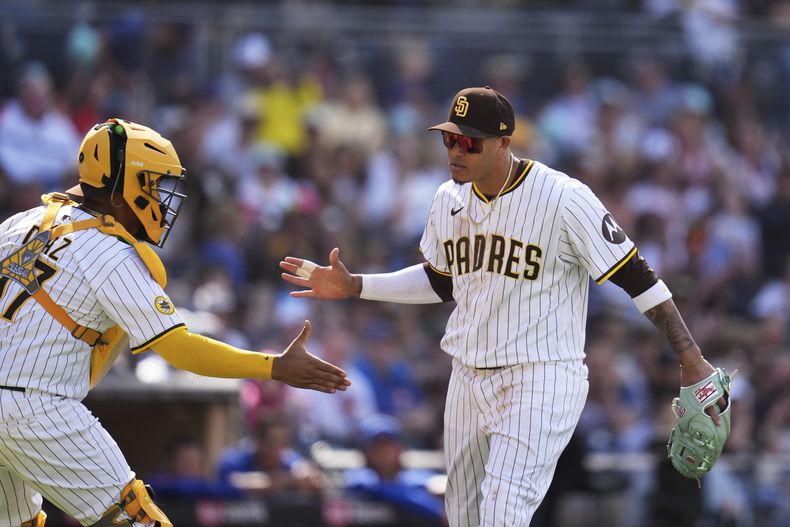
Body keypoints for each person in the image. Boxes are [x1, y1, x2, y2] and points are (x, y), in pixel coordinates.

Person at [280, 86, 729, 526]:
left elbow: (638, 277)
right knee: (464, 518)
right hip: (467, 376)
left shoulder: (563, 197)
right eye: (449, 138)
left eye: (470, 142)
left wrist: (691, 359)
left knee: (502, 511)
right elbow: (440, 282)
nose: (456, 150)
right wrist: (357, 285)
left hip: (541, 375)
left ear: (504, 143)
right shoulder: (447, 199)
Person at [0, 118, 350, 527]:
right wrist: (273, 366)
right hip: (37, 405)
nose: (162, 200)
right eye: (152, 184)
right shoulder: (111, 253)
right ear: (122, 185)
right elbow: (179, 347)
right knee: (138, 519)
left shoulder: (18, 224)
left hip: (19, 400)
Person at [343, 414, 445, 524]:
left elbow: (436, 484)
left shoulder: (414, 477)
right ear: (365, 450)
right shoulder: (358, 477)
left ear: (400, 447)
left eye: (388, 445)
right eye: (377, 446)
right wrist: (436, 511)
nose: (383, 451)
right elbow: (372, 485)